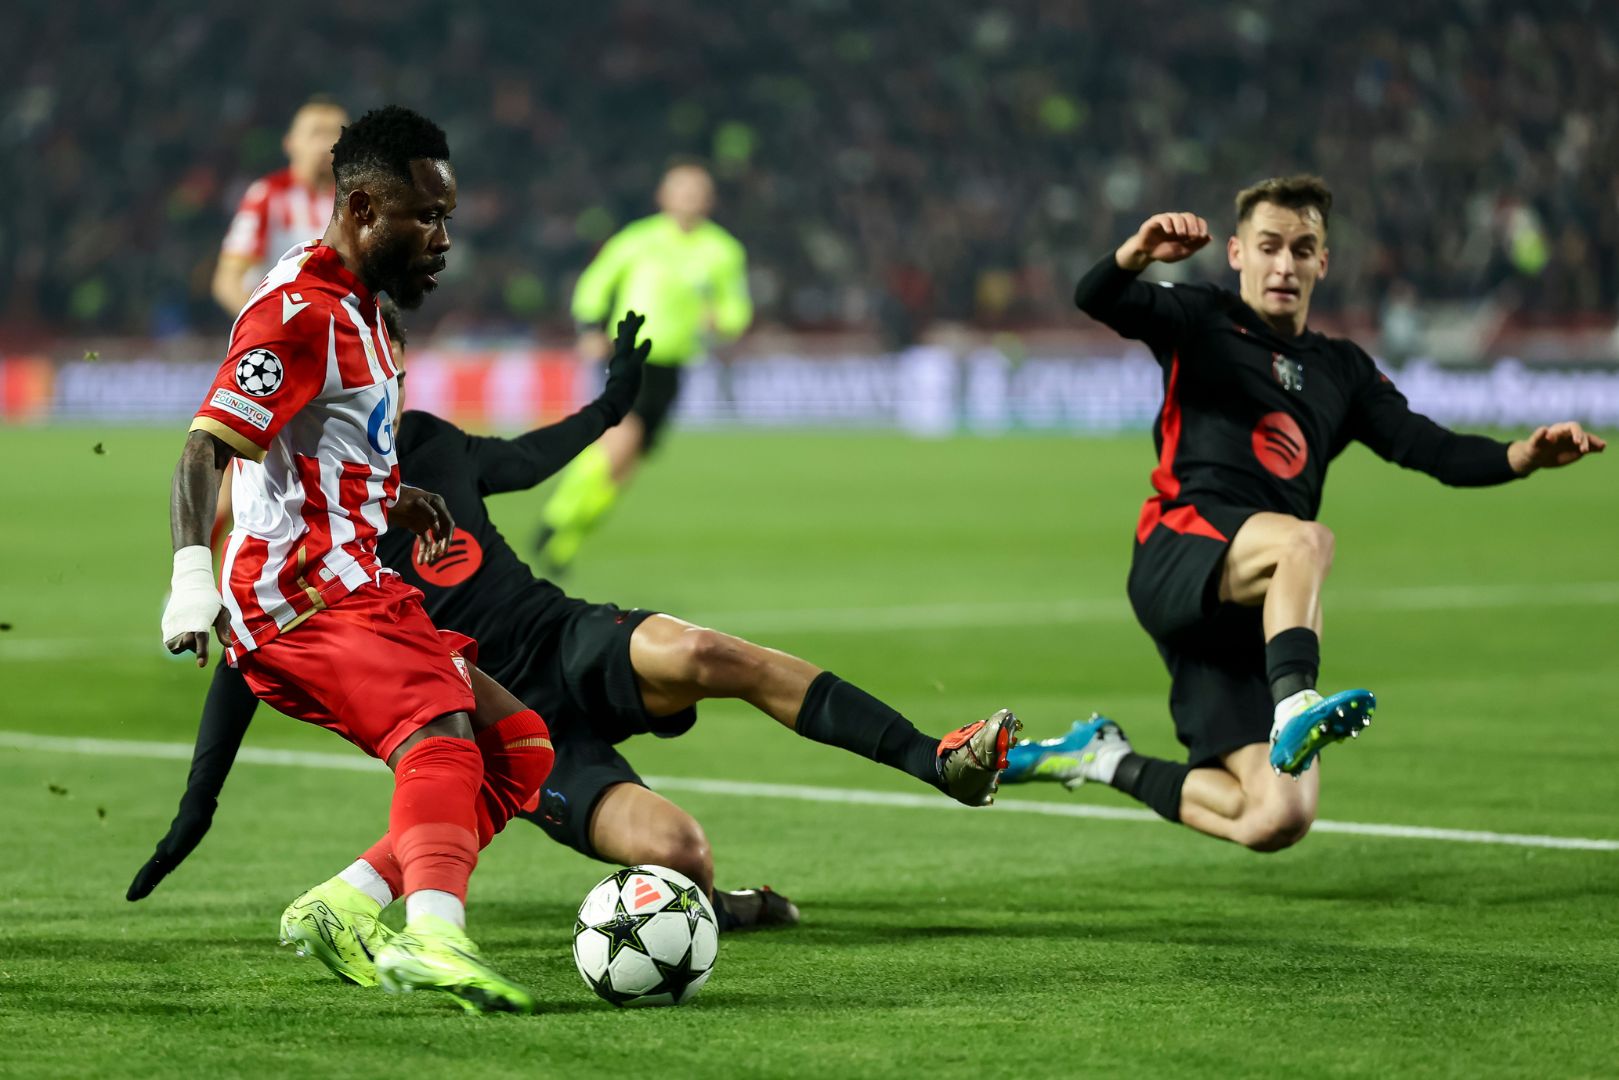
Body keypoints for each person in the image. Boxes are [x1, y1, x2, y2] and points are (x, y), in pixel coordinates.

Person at [133, 308, 1022, 937]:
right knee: (681, 853)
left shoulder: (432, 444)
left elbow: (524, 457)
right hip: (505, 724)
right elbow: (252, 656)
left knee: (705, 650)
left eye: (388, 370)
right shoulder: (289, 508)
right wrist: (196, 805)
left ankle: (936, 762)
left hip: (559, 635)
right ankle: (720, 908)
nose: (379, 387)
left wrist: (611, 407)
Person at [1002, 176, 1604, 851]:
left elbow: (1425, 447)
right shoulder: (1200, 317)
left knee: (1274, 818)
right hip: (1180, 545)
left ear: (1324, 262)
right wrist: (1136, 253)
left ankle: (1100, 758)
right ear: (1236, 253)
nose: (1283, 265)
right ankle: (1294, 702)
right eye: (1268, 247)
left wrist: (1519, 455)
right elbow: (1097, 297)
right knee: (1305, 543)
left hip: (1247, 610)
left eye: (1301, 248)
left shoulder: (1341, 371)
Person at [162, 105, 556, 1014]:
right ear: (367, 207)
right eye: (428, 217)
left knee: (519, 750)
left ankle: (343, 906)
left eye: (448, 217)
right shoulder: (298, 313)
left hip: (355, 583)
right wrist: (190, 582)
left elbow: (327, 449)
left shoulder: (369, 315)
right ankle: (435, 938)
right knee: (439, 732)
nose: (444, 240)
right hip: (295, 598)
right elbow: (205, 447)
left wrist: (393, 492)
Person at [534, 162, 752, 574]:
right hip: (632, 354)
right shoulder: (639, 240)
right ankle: (558, 515)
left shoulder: (723, 251)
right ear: (664, 196)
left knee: (625, 467)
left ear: (709, 200)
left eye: (696, 190)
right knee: (620, 440)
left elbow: (736, 310)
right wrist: (590, 327)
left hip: (674, 366)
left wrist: (722, 321)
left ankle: (566, 539)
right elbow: (595, 284)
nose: (688, 197)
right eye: (680, 189)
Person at [211, 97, 348, 315]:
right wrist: (267, 326)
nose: (325, 145)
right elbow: (227, 282)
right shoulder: (267, 195)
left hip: (335, 336)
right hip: (278, 336)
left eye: (334, 134)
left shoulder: (354, 203)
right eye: (315, 134)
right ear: (290, 143)